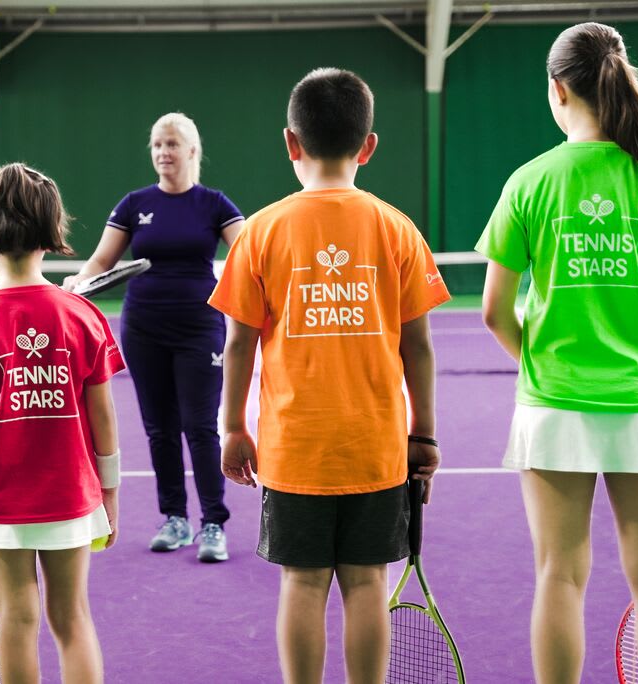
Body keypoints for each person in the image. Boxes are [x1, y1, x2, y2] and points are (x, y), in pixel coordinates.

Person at [476, 22, 638, 683]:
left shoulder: (529, 182)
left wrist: (538, 360)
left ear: (558, 91)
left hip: (552, 407)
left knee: (559, 575)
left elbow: (495, 310)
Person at [209, 68, 450, 683]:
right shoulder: (397, 228)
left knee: (303, 582)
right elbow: (418, 346)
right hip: (376, 447)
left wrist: (231, 427)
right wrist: (423, 431)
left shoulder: (260, 231)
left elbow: (238, 342)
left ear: (291, 142)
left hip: (295, 449)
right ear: (368, 146)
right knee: (368, 582)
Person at [0, 163, 125, 684]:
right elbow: (103, 415)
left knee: (16, 618)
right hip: (72, 495)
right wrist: (110, 492)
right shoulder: (82, 317)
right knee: (73, 616)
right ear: (50, 230)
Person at [64, 112, 244, 562]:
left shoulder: (215, 204)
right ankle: (175, 519)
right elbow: (101, 262)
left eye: (171, 145)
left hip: (201, 327)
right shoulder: (133, 204)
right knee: (159, 429)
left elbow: (250, 253)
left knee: (200, 427)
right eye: (157, 146)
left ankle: (213, 524)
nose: (163, 153)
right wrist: (76, 282)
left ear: (191, 151)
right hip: (143, 328)